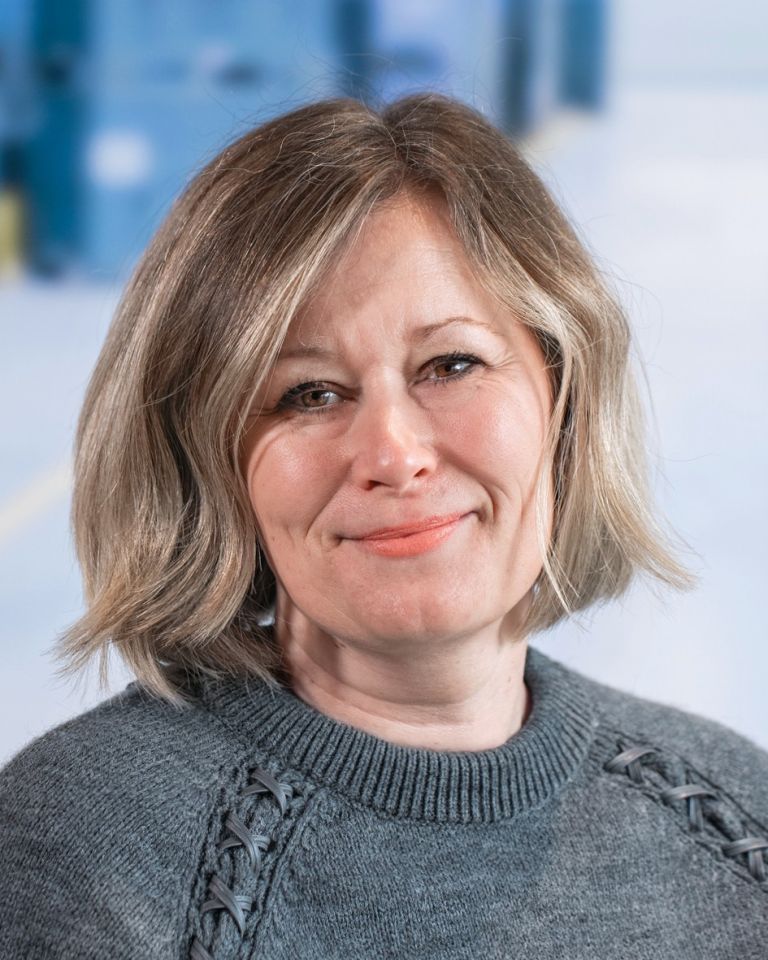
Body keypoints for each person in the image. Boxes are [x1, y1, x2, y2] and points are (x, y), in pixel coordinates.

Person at [1, 92, 766, 960]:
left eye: (451, 364)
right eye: (310, 394)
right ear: (206, 458)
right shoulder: (82, 854)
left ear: (562, 396)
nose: (394, 454)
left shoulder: (736, 808)